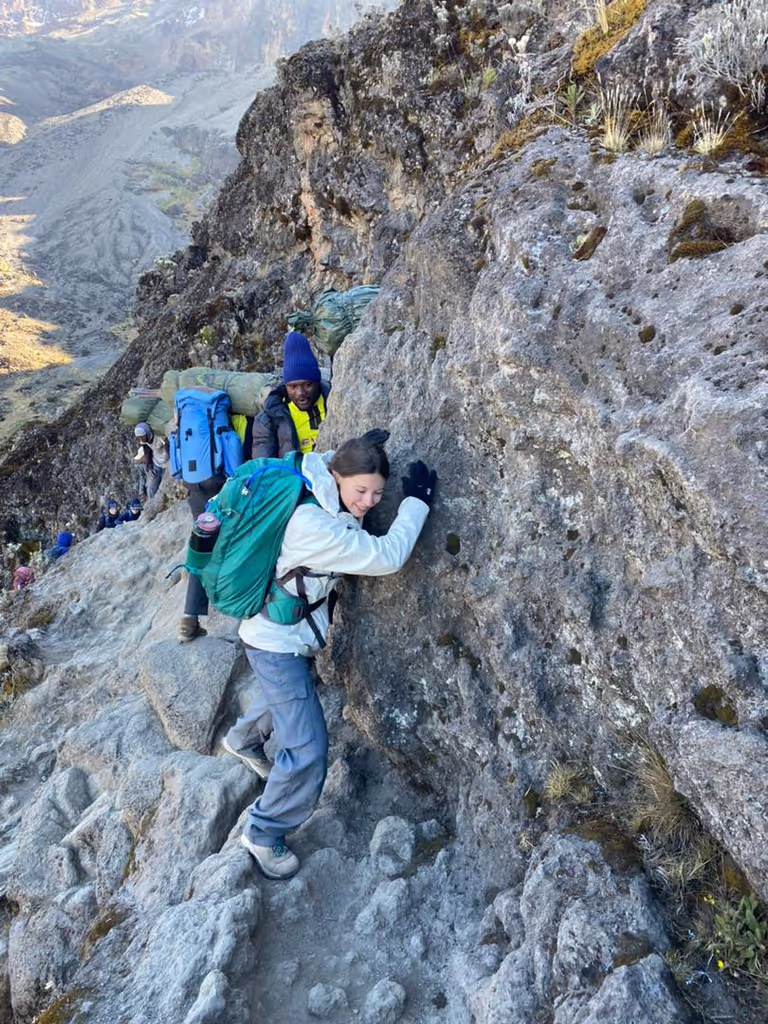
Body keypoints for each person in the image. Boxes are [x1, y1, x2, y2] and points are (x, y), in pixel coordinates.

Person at [223, 429, 436, 880]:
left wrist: (363, 448)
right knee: (307, 748)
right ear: (337, 477)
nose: (369, 502)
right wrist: (416, 502)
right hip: (275, 643)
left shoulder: (315, 479)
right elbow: (387, 555)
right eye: (361, 490)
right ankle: (263, 832)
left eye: (379, 494)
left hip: (278, 635)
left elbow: (329, 461)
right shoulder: (316, 526)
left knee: (291, 693)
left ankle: (242, 739)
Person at [251, 331, 331, 459]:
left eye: (307, 385)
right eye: (293, 387)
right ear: (285, 386)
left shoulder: (334, 401)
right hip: (292, 476)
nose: (300, 393)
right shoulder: (269, 417)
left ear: (317, 382)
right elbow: (264, 465)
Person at [133, 421, 168, 501]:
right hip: (156, 464)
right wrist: (150, 467)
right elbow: (147, 453)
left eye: (142, 436)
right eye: (138, 438)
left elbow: (168, 448)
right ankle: (152, 504)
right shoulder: (144, 441)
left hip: (167, 463)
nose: (141, 439)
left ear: (147, 433)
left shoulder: (159, 438)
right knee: (151, 488)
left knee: (164, 486)